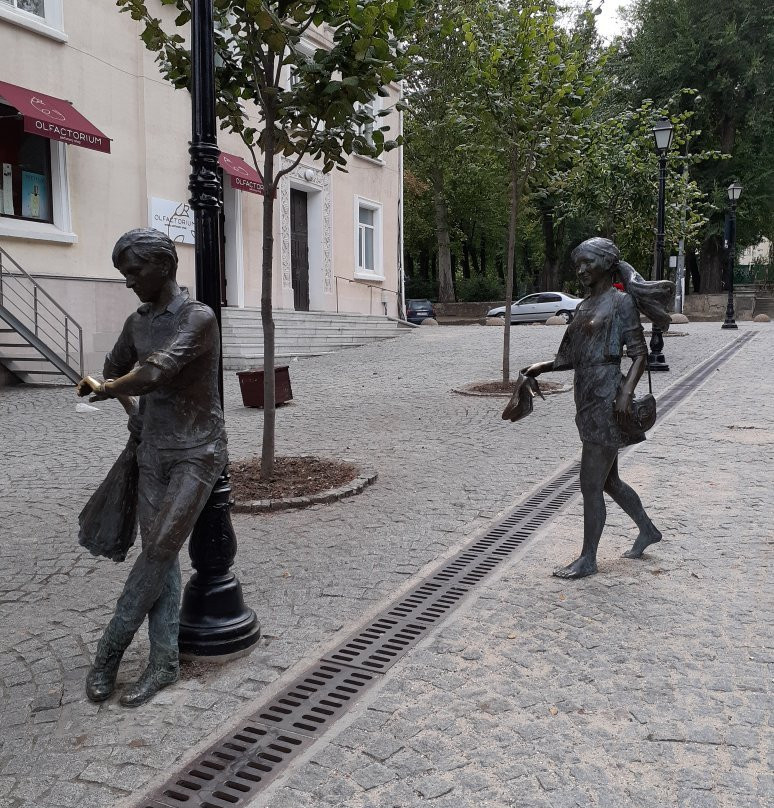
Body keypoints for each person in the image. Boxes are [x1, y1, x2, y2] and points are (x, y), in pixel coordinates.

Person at [77, 228, 227, 706]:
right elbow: (113, 368)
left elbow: (154, 371)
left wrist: (107, 390)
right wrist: (132, 413)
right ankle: (164, 662)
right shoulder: (137, 322)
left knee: (160, 546)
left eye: (134, 271)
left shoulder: (198, 317)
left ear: (163, 265)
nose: (128, 281)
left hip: (197, 451)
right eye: (123, 273)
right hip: (153, 450)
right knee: (160, 557)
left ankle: (108, 654)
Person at [523, 237, 673, 579]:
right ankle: (648, 530)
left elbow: (639, 354)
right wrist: (541, 367)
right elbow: (571, 356)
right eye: (577, 264)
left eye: (587, 262)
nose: (581, 270)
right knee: (609, 480)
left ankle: (588, 558)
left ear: (606, 263)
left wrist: (625, 395)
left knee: (590, 484)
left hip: (608, 398)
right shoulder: (584, 306)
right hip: (586, 396)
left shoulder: (621, 302)